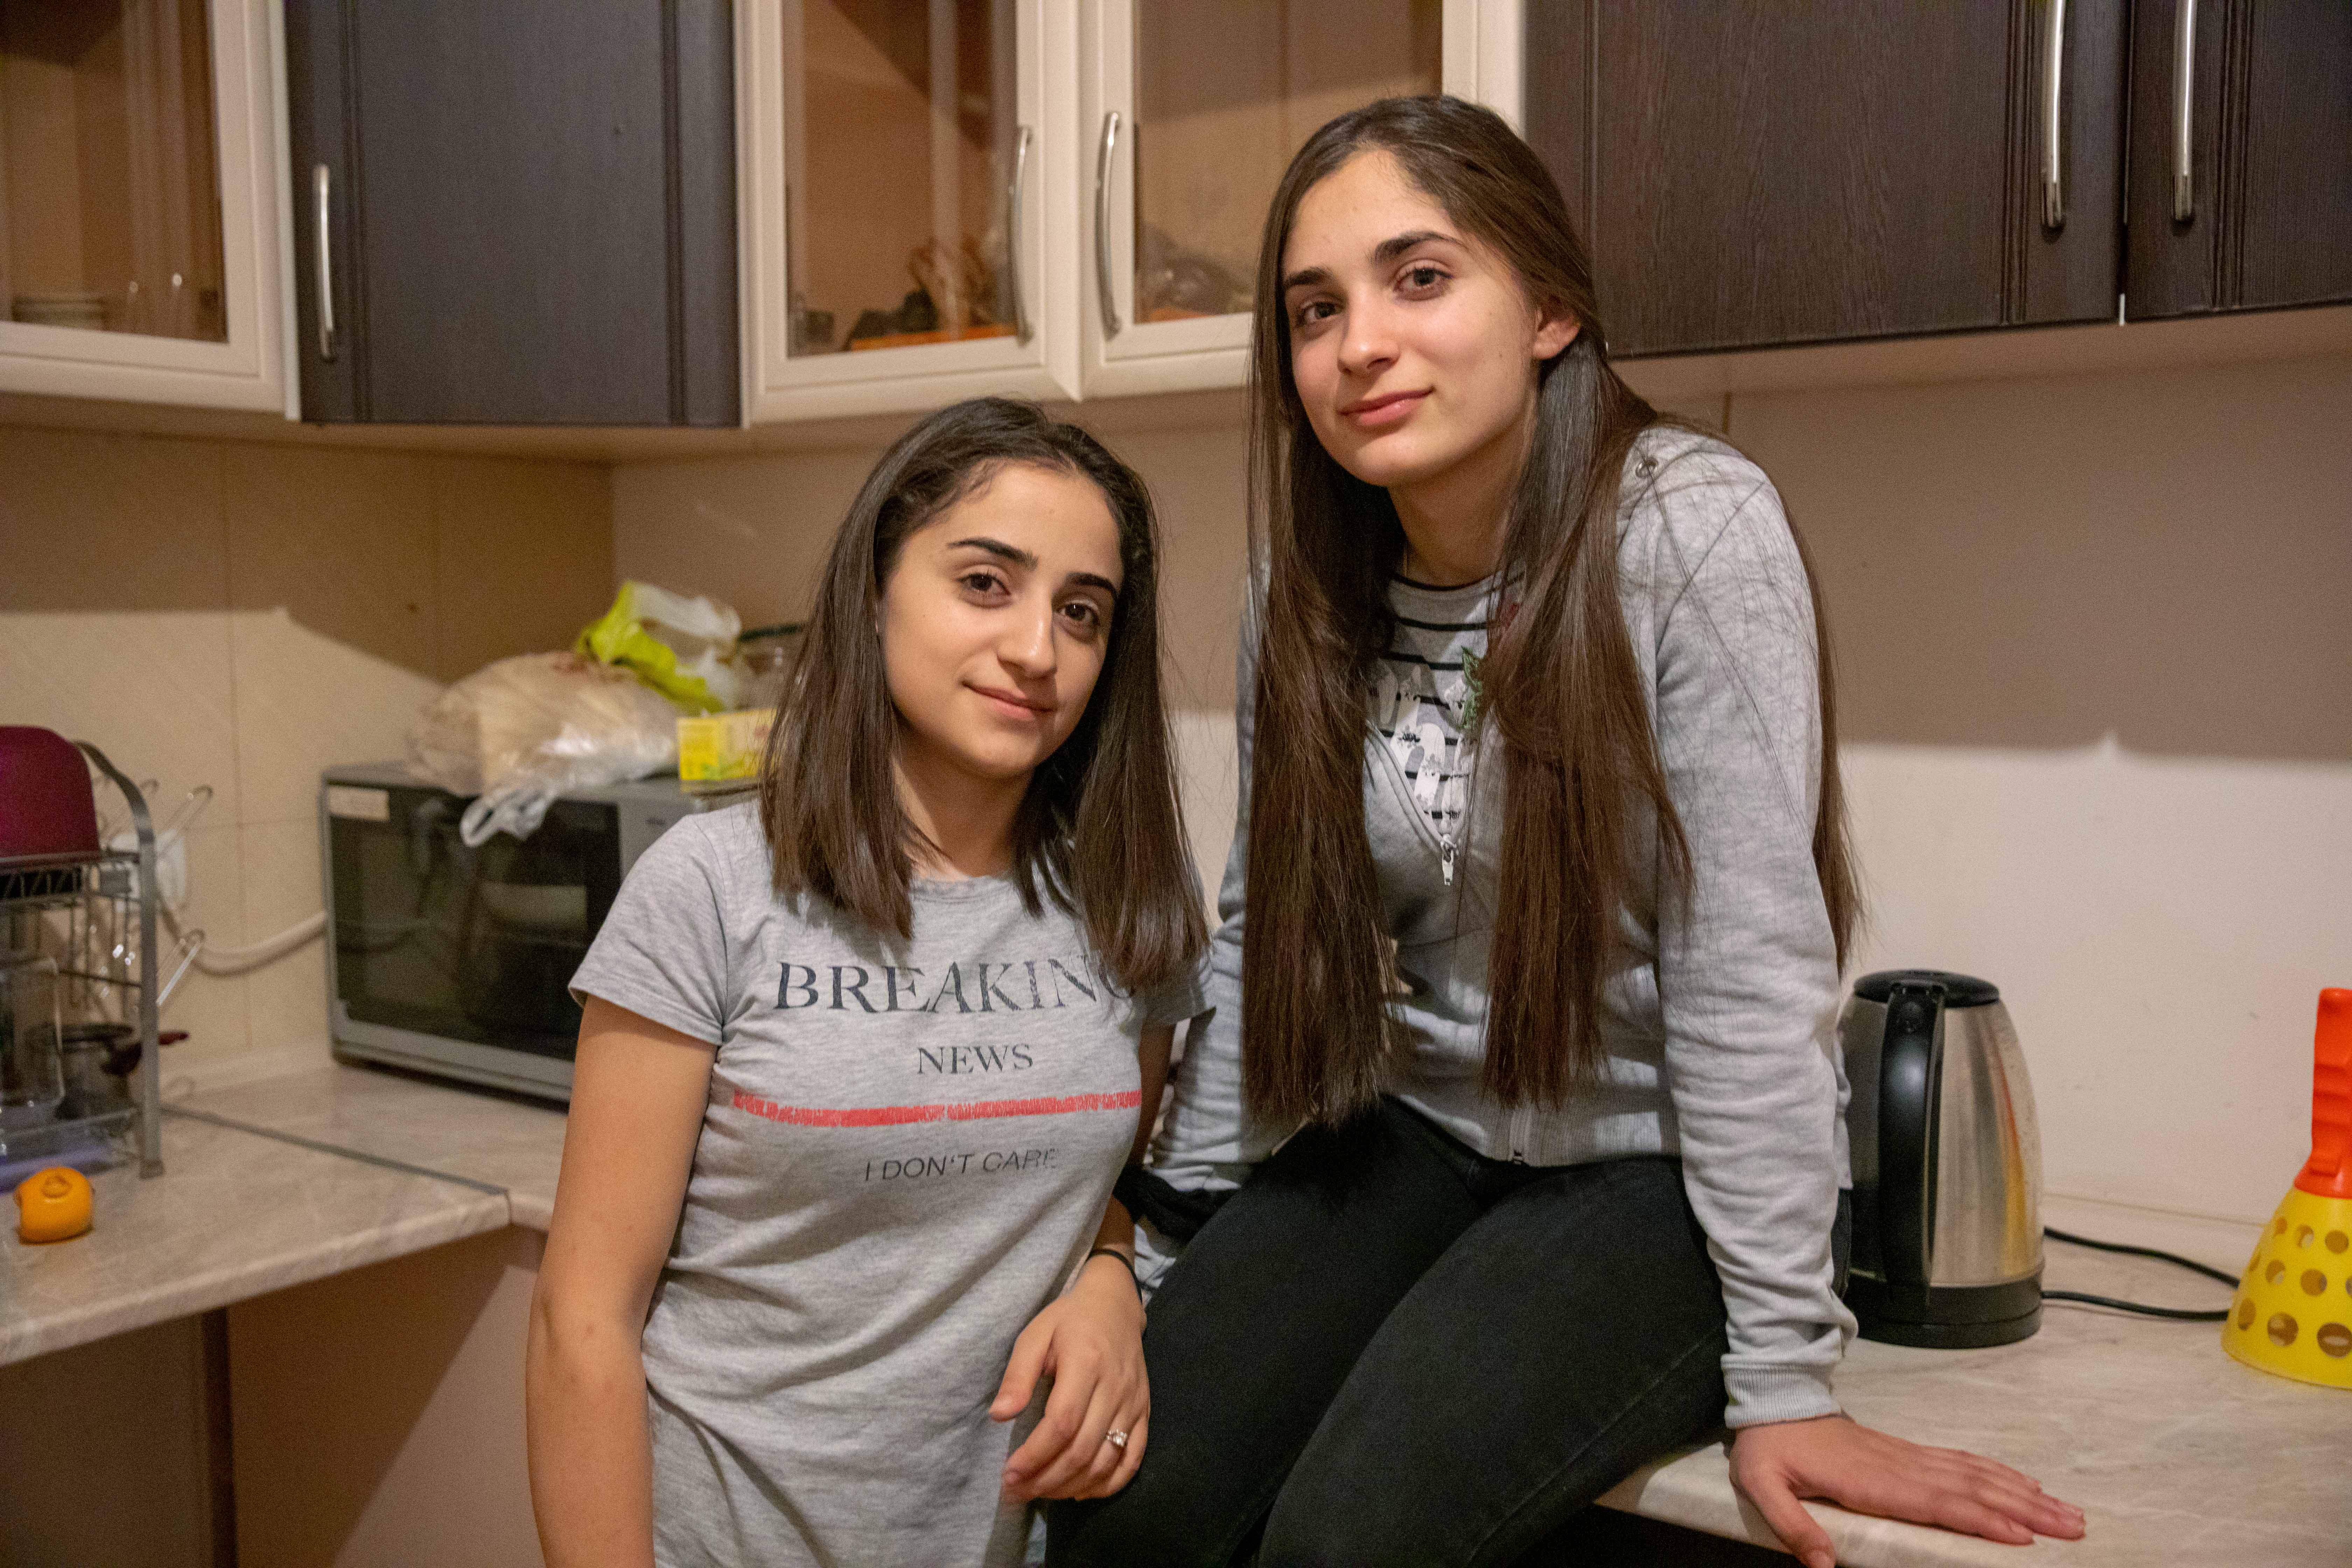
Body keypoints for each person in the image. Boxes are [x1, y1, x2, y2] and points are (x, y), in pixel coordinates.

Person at [1049, 97, 2087, 1568]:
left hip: (1652, 1174)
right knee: (1127, 1509)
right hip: (1410, 1131)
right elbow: (1262, 939)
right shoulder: (1302, 587)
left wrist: (1788, 1380)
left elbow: (1745, 966)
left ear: (1549, 306)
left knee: (1345, 1546)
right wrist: (1145, 1251)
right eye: (1314, 308)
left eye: (1420, 278)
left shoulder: (1685, 531)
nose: (1360, 345)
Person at [526, 397, 1208, 1568]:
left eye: (1081, 612)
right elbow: (583, 1320)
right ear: (877, 589)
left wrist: (1111, 1277)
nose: (1037, 650)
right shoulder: (712, 888)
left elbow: (1112, 1169)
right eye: (986, 584)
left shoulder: (1133, 902)